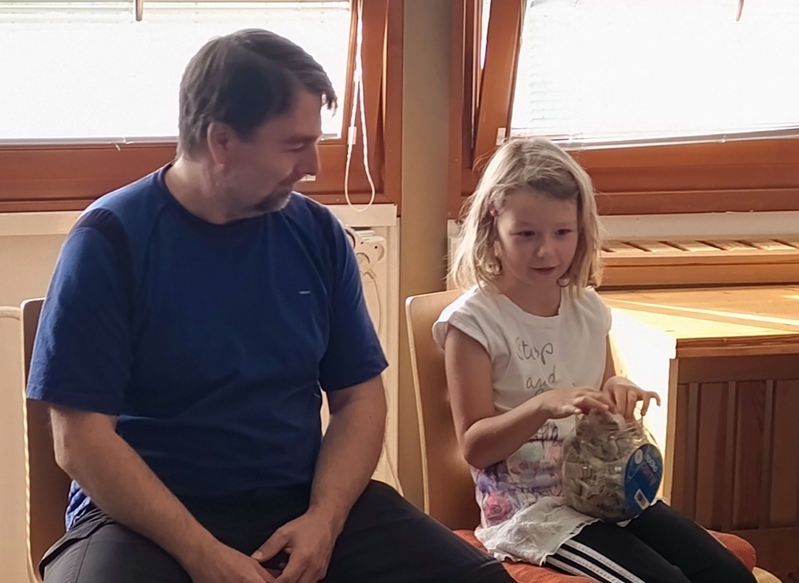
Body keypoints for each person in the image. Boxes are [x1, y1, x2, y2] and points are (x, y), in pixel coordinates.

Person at [27, 29, 515, 583]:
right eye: (293, 145)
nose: (313, 166)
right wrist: (201, 554)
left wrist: (324, 520)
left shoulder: (318, 235)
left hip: (299, 505)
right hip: (143, 520)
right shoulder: (109, 240)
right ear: (221, 141)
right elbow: (80, 440)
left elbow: (359, 400)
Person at [433, 137, 757, 583]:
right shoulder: (474, 323)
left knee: (726, 573)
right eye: (526, 234)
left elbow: (600, 396)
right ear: (494, 219)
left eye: (562, 233)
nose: (546, 251)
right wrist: (543, 405)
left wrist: (616, 391)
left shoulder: (587, 308)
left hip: (605, 492)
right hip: (531, 514)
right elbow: (474, 445)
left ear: (581, 227)